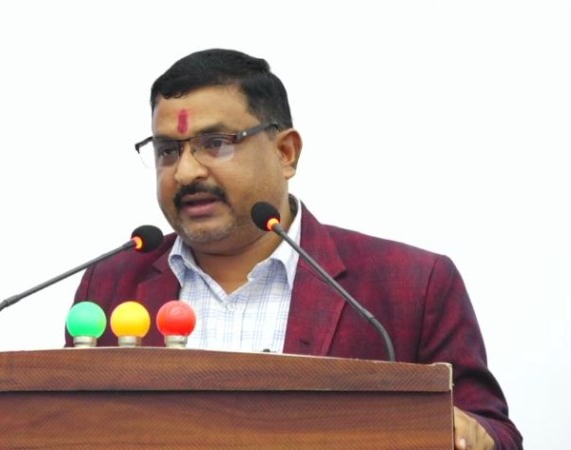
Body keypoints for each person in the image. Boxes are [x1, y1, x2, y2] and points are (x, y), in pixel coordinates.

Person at [66, 49, 522, 449]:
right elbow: (65, 426)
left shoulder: (411, 284)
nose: (185, 172)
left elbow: (493, 432)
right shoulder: (111, 283)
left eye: (215, 144)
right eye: (168, 150)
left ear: (286, 153)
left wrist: (471, 434)